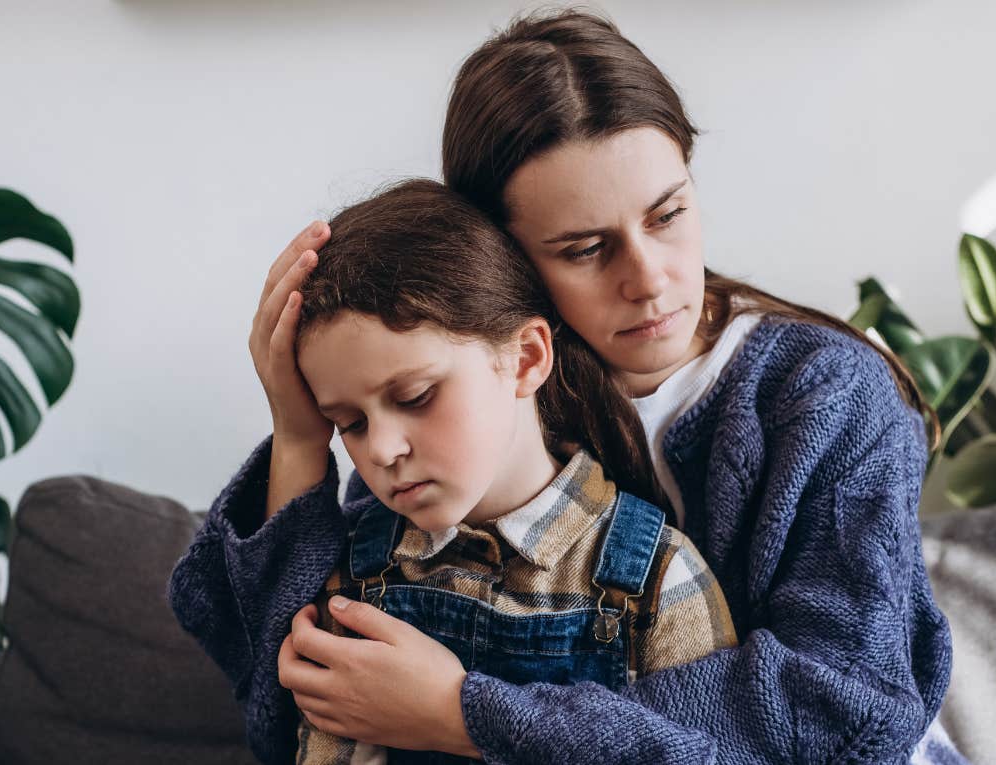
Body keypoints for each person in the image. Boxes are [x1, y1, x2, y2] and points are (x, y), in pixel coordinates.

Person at [170, 10, 966, 764]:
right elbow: (287, 711)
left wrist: (464, 713)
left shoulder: (825, 395)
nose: (649, 279)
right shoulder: (473, 419)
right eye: (585, 247)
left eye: (668, 214)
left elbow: (844, 707)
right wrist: (301, 431)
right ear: (500, 261)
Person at [243, 178, 738, 764]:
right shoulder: (355, 576)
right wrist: (297, 434)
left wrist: (463, 713)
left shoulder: (657, 582)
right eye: (350, 423)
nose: (382, 449)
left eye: (417, 396)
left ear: (525, 358)